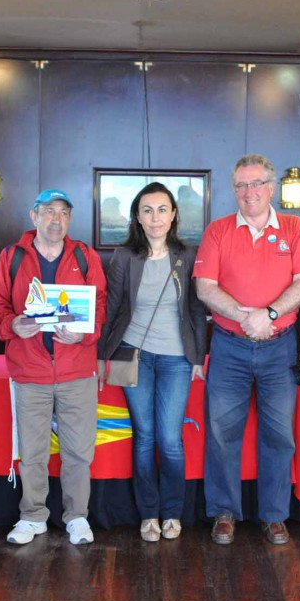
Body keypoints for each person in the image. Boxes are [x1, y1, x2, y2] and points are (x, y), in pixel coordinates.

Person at [194, 154, 300, 545]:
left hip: (279, 349)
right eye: (241, 185)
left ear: (271, 187)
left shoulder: (295, 228)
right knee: (221, 434)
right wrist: (245, 316)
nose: (249, 192)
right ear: (234, 189)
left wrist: (268, 315)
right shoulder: (217, 230)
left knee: (278, 435)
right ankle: (224, 513)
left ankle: (274, 515)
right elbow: (204, 287)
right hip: (229, 348)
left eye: (256, 184)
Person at [0, 189, 106, 545]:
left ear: (69, 219)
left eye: (63, 213)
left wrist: (85, 335)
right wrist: (13, 325)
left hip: (76, 371)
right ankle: (32, 516)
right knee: (32, 452)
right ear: (34, 215)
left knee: (78, 452)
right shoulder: (12, 256)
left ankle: (77, 517)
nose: (56, 219)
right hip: (30, 371)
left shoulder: (84, 256)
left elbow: (100, 304)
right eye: (49, 211)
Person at [98, 182, 208, 542]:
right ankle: (148, 513)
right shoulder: (123, 257)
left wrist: (198, 357)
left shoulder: (187, 256)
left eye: (162, 209)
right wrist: (100, 356)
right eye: (147, 210)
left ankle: (172, 511)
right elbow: (112, 309)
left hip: (177, 358)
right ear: (137, 217)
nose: (155, 217)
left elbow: (196, 310)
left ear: (173, 215)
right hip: (134, 355)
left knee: (170, 439)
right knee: (144, 436)